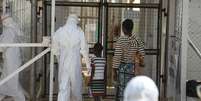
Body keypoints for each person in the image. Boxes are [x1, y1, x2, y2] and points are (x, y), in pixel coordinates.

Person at [52, 14, 91, 101]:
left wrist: (59, 59)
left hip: (63, 63)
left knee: (63, 89)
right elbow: (84, 50)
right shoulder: (79, 32)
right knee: (76, 90)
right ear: (76, 21)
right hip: (75, 63)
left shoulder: (59, 32)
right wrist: (88, 66)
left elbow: (55, 50)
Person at [113, 19, 145, 101]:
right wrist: (139, 65)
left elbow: (117, 56)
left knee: (122, 90)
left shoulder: (121, 40)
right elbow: (142, 54)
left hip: (122, 69)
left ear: (123, 28)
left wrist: (114, 71)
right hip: (133, 69)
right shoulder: (137, 39)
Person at [0, 15, 25, 101]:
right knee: (5, 79)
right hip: (11, 59)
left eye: (2, 21)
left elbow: (3, 45)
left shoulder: (9, 30)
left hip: (11, 60)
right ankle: (1, 95)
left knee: (12, 82)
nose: (2, 23)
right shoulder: (12, 29)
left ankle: (21, 99)